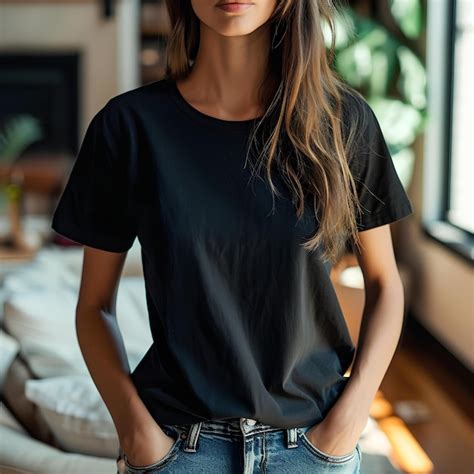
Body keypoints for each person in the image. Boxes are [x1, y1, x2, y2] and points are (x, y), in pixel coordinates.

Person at [51, 0, 414, 473]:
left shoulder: (344, 124)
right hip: (177, 450)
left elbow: (385, 284)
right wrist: (137, 433)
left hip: (312, 447)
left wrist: (350, 416)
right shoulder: (129, 128)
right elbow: (93, 306)